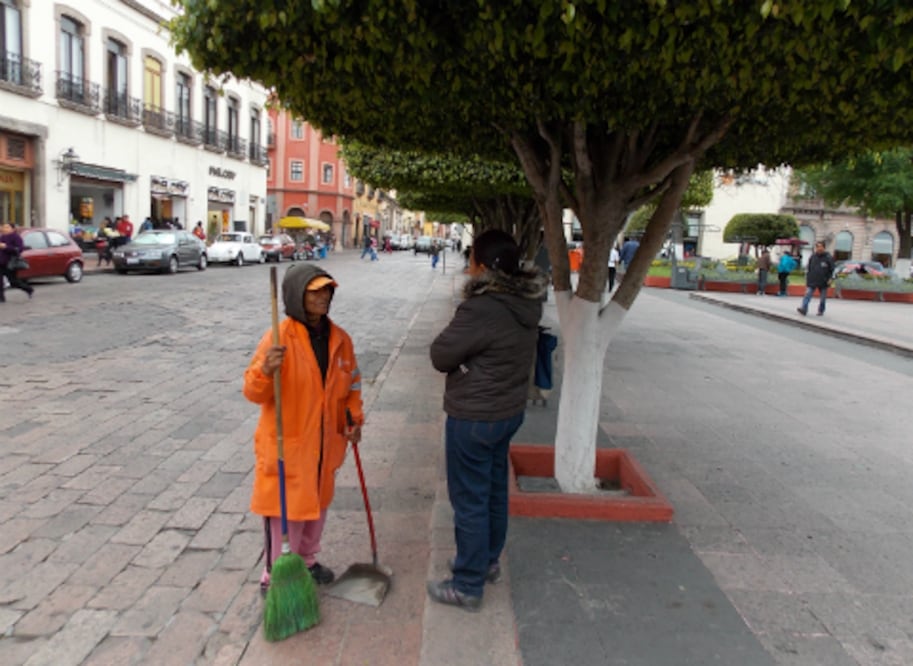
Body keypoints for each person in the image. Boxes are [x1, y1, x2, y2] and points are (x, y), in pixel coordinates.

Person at [427, 229, 546, 612]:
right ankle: (486, 562)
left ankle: (467, 583)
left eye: (472, 257)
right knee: (493, 491)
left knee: (470, 500)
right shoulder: (525, 303)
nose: (468, 264)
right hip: (506, 412)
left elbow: (441, 354)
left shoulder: (482, 308)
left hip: (475, 416)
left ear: (482, 265)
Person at [243, 263, 364, 594]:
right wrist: (266, 370)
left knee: (317, 509)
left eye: (327, 290)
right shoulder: (278, 337)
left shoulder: (341, 340)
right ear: (297, 296)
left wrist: (354, 418)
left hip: (326, 445)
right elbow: (253, 392)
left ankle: (308, 561)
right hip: (289, 446)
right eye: (315, 291)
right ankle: (275, 573)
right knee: (285, 515)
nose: (323, 297)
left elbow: (352, 384)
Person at [797, 241, 835, 316]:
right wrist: (807, 276)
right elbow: (809, 267)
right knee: (807, 294)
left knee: (822, 298)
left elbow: (832, 269)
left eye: (820, 247)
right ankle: (804, 308)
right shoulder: (813, 257)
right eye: (817, 247)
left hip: (824, 281)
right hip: (812, 279)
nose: (819, 248)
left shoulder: (828, 258)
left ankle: (821, 310)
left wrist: (830, 279)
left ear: (824, 248)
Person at [0, 221, 34, 302]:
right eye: (4, 227)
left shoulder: (16, 237)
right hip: (1, 262)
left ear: (13, 229)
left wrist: (6, 247)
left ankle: (29, 289)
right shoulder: (2, 237)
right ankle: (1, 298)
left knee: (13, 282)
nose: (5, 229)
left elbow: (19, 249)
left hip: (10, 263)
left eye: (7, 227)